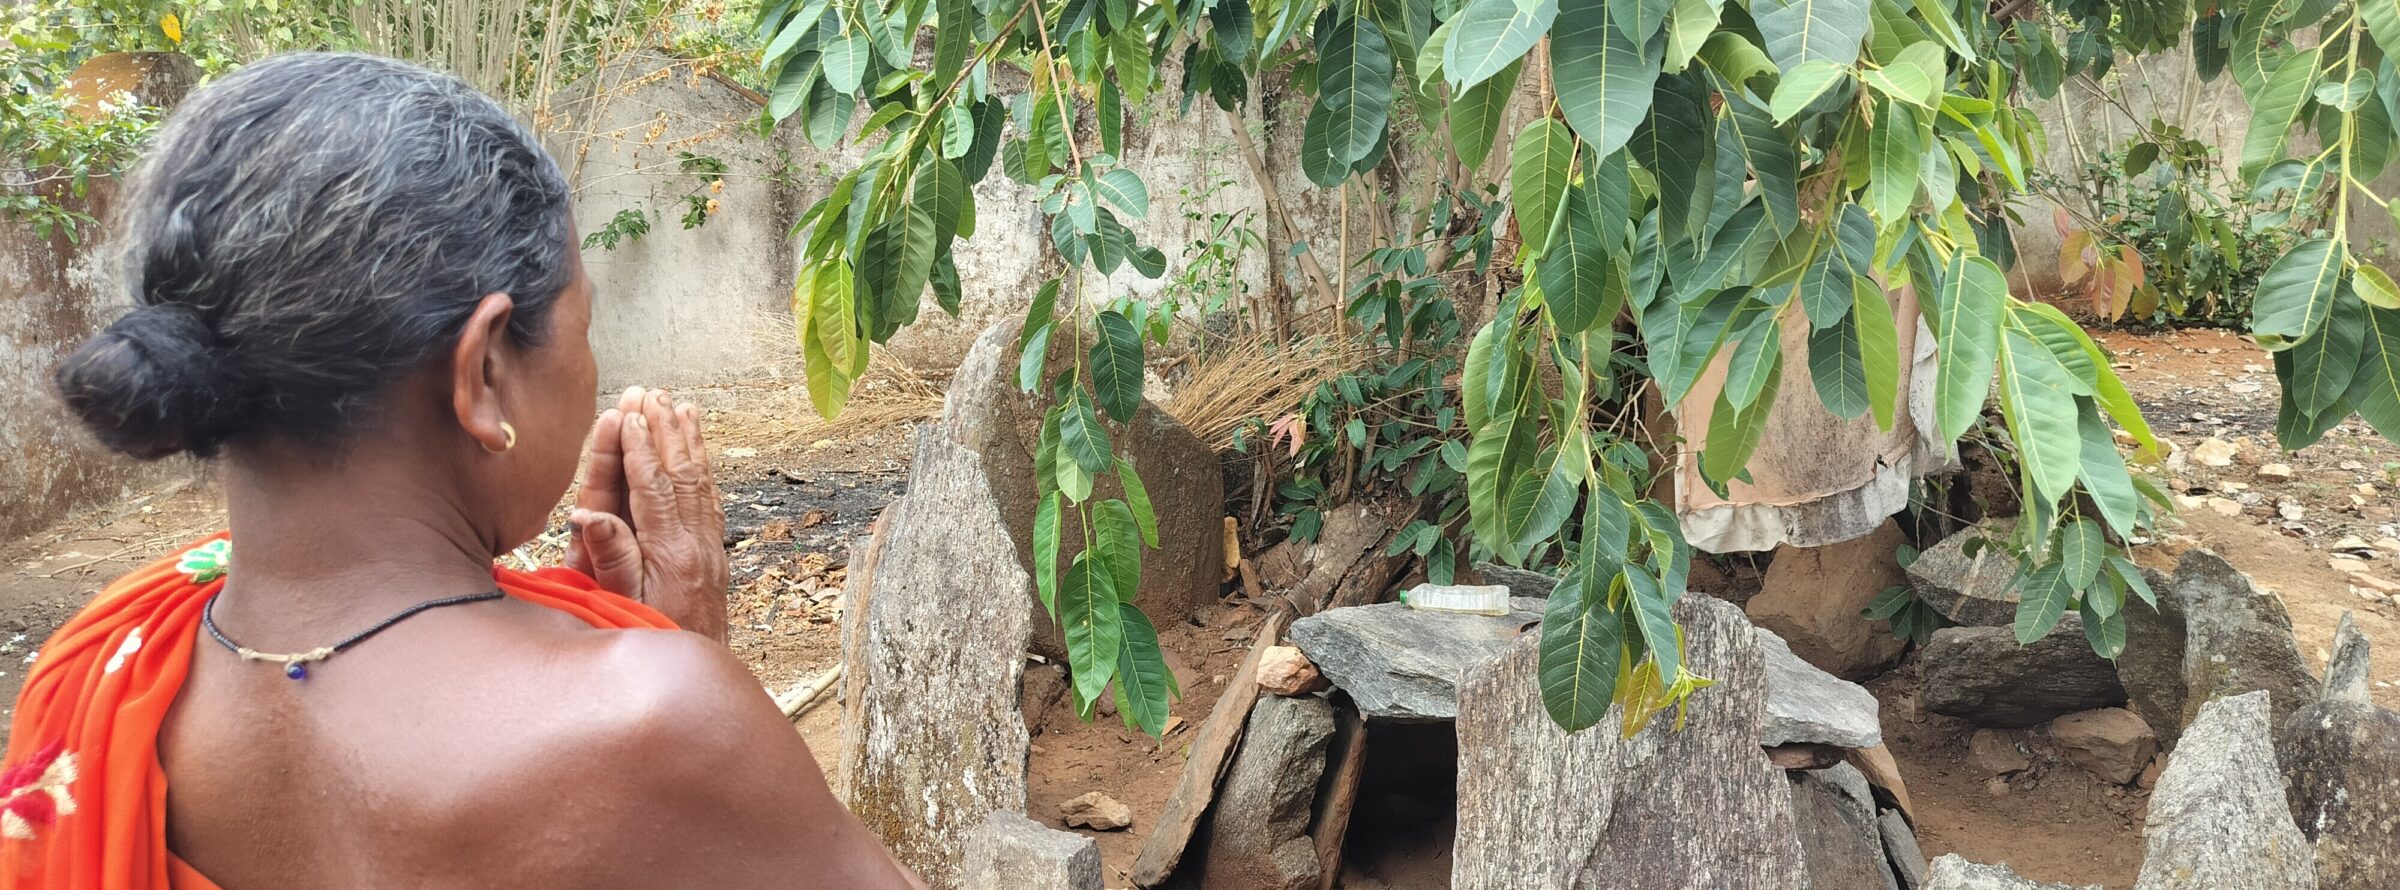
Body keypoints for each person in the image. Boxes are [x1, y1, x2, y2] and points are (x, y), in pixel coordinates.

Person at [0, 53, 921, 889]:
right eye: (584, 322)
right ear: (483, 371)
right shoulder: (655, 721)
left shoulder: (93, 672)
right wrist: (687, 665)